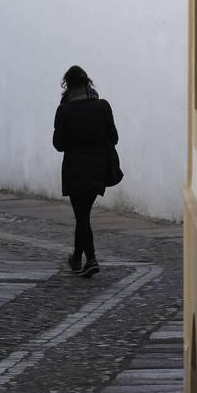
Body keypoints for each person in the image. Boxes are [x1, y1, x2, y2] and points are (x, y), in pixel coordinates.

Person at [52, 65, 118, 278]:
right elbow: (114, 138)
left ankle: (90, 259)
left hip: (74, 170)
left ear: (68, 86)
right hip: (98, 168)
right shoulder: (103, 106)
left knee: (81, 216)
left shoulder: (64, 110)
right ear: (88, 83)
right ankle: (77, 258)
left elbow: (58, 144)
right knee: (83, 214)